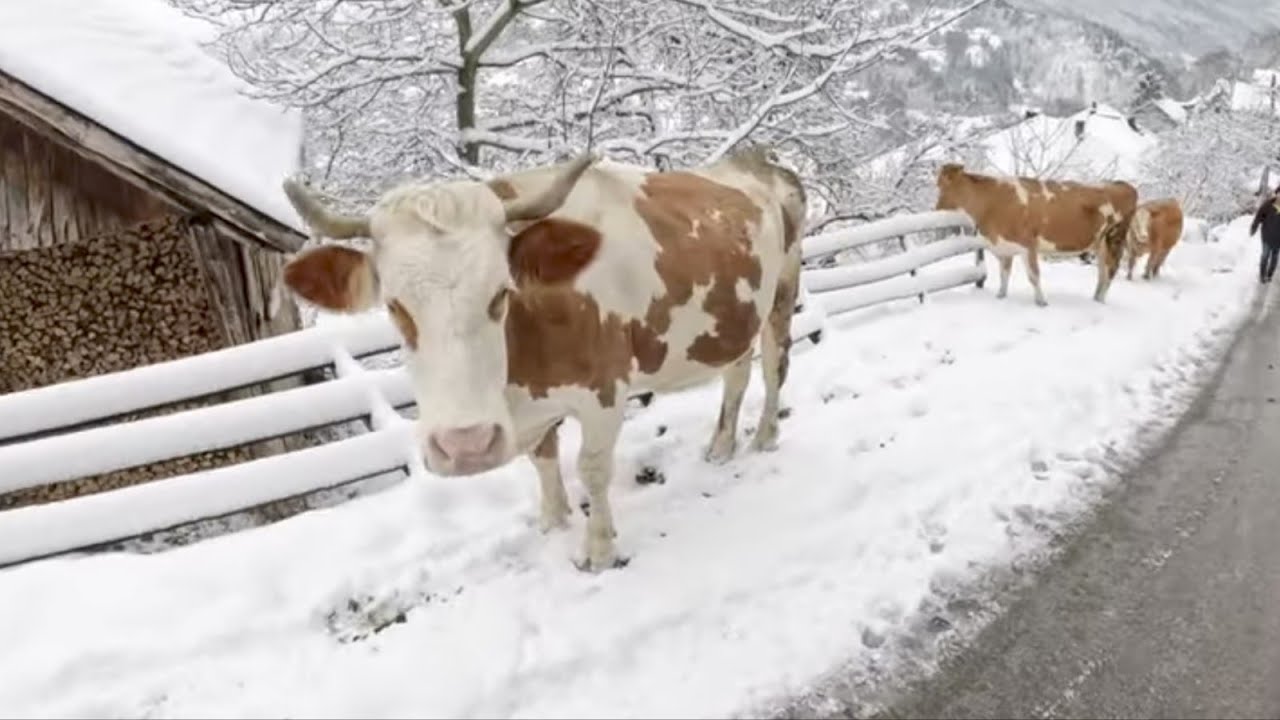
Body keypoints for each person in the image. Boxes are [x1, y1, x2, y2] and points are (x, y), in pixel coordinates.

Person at [1251, 185, 1280, 283]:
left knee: (1275, 258)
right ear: (1276, 194)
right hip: (1267, 235)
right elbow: (1259, 216)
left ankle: (1269, 275)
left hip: (1278, 238)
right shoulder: (1267, 205)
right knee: (1265, 255)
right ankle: (1262, 275)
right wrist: (1254, 227)